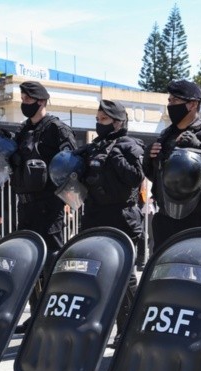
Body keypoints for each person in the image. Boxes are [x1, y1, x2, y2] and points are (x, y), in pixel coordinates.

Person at [76, 99, 145, 347]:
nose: (98, 123)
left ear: (117, 122)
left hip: (121, 217)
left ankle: (128, 328)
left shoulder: (130, 145)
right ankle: (99, 324)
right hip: (95, 215)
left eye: (103, 119)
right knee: (95, 271)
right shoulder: (94, 147)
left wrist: (114, 155)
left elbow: (136, 177)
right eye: (97, 119)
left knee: (124, 275)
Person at [9, 81, 77, 333]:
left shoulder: (57, 129)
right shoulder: (23, 130)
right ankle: (36, 313)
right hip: (25, 205)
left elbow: (70, 166)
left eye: (27, 100)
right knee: (31, 263)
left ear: (40, 101)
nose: (23, 104)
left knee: (52, 261)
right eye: (22, 99)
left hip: (49, 206)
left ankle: (55, 313)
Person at [142, 79, 201, 251]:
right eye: (169, 100)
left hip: (200, 217)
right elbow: (157, 177)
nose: (170, 105)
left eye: (175, 101)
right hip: (166, 218)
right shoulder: (165, 135)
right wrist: (148, 158)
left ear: (193, 104)